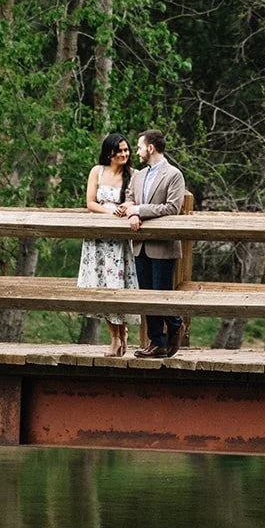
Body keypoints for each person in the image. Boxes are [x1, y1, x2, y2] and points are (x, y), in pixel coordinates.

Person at [117, 129, 186, 358]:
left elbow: (172, 208)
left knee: (161, 293)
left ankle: (175, 324)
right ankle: (157, 342)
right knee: (146, 295)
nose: (135, 152)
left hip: (163, 245)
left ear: (150, 148)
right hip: (140, 244)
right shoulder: (138, 175)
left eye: (138, 147)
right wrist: (132, 213)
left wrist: (139, 210)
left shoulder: (173, 175)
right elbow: (129, 198)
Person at [77, 131, 139, 356]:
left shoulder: (133, 174)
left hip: (119, 242)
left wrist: (127, 208)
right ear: (109, 152)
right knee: (101, 285)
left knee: (117, 285)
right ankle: (114, 337)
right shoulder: (97, 171)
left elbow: (138, 201)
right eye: (119, 150)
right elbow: (90, 202)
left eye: (126, 150)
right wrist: (110, 210)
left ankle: (123, 335)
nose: (124, 154)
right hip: (97, 237)